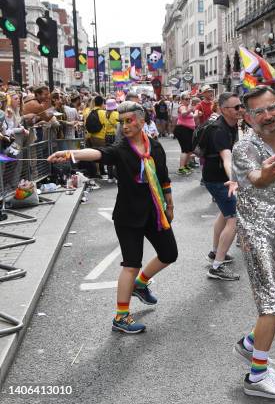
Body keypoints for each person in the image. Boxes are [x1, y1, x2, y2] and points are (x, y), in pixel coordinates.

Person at [47, 101, 177, 334]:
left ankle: (141, 284)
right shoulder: (120, 149)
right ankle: (121, 316)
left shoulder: (155, 147)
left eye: (129, 121)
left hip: (154, 212)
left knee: (169, 253)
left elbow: (164, 177)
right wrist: (71, 153)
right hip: (128, 216)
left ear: (141, 120)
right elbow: (98, 153)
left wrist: (170, 204)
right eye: (121, 122)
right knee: (131, 263)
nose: (125, 126)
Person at [231, 86, 275, 399]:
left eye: (271, 107)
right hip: (257, 232)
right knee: (271, 303)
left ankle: (250, 343)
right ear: (248, 116)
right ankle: (257, 376)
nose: (268, 115)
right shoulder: (243, 148)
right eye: (259, 111)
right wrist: (266, 177)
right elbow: (258, 178)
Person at [200, 92, 244, 281]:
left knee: (223, 214)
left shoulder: (232, 124)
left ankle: (215, 251)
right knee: (233, 219)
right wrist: (233, 178)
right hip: (219, 179)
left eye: (240, 105)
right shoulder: (219, 130)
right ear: (224, 110)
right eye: (236, 107)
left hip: (216, 177)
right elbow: (226, 158)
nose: (240, 109)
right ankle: (217, 267)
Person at [175, 92, 196, 175]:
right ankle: (181, 168)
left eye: (189, 99)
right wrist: (189, 110)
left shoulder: (187, 107)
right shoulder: (182, 107)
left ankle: (185, 165)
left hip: (188, 130)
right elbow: (183, 114)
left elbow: (191, 117)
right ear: (182, 100)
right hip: (182, 130)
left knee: (190, 150)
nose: (188, 100)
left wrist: (197, 114)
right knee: (185, 149)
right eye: (186, 99)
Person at [104, 99, 119, 182]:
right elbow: (118, 125)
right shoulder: (116, 114)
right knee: (116, 155)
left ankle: (110, 177)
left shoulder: (105, 114)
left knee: (109, 155)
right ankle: (116, 176)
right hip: (114, 136)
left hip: (107, 136)